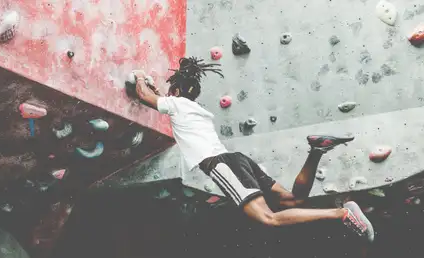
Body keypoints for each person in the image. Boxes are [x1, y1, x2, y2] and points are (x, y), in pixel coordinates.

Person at [132, 57, 374, 242]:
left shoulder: (175, 105)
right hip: (237, 160)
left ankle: (341, 215)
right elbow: (163, 99)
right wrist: (158, 91)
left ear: (175, 92)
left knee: (268, 218)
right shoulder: (192, 109)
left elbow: (143, 95)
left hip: (220, 165)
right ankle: (316, 151)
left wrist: (141, 76)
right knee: (293, 199)